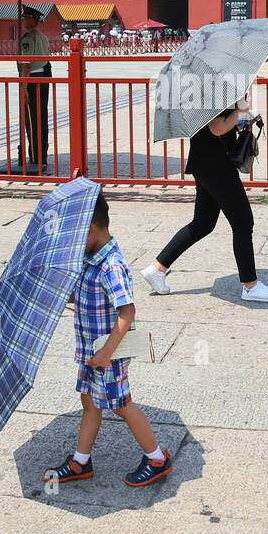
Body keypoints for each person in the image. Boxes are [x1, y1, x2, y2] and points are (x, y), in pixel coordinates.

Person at [44, 193, 173, 488]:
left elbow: (127, 311)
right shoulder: (91, 260)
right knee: (89, 401)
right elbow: (85, 298)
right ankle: (81, 461)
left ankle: (156, 458)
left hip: (109, 353)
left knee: (121, 404)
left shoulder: (111, 265)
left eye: (76, 235)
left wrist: (106, 353)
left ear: (90, 229)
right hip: (93, 351)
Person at [142, 94, 268, 303]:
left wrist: (242, 120)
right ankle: (250, 286)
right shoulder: (209, 90)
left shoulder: (210, 86)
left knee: (203, 223)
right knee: (243, 222)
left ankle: (157, 269)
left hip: (207, 162)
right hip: (215, 166)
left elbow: (220, 128)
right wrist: (240, 111)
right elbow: (216, 128)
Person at [17, 6, 52, 171]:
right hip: (44, 78)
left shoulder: (28, 39)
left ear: (32, 19)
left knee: (32, 120)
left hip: (32, 81)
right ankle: (42, 155)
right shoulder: (43, 37)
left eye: (25, 18)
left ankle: (36, 157)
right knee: (42, 117)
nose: (23, 21)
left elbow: (27, 65)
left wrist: (23, 87)